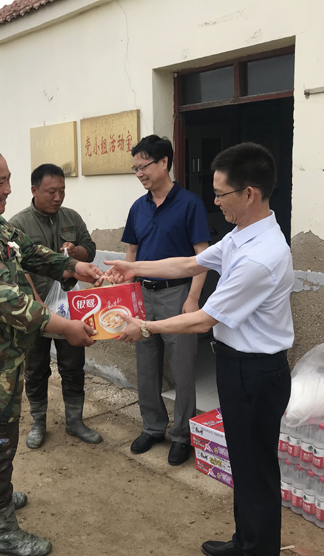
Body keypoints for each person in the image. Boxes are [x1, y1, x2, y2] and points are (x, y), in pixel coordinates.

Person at [105, 142, 294, 556]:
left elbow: (204, 318)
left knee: (256, 467)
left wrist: (146, 327)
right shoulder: (243, 236)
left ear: (249, 193)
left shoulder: (261, 257)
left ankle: (257, 548)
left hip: (254, 372)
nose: (216, 202)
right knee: (245, 462)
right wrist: (133, 267)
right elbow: (191, 263)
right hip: (239, 367)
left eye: (221, 194)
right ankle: (246, 541)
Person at [0, 144, 103, 556]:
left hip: (3, 355)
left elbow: (29, 251)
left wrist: (74, 267)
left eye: (9, 180)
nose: (9, 189)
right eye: (1, 182)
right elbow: (14, 304)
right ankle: (1, 529)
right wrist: (67, 328)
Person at [120, 135, 210, 466]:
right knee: (146, 365)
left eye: (143, 166)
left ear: (164, 163)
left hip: (177, 295)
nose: (139, 173)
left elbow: (202, 257)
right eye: (135, 168)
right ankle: (153, 427)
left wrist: (193, 298)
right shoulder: (138, 208)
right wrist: (126, 293)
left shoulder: (190, 204)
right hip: (143, 296)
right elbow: (131, 253)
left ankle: (182, 435)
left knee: (183, 368)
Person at [9, 163, 102, 449]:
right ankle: (38, 422)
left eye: (62, 190)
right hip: (33, 309)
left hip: (70, 307)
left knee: (73, 366)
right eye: (51, 191)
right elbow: (15, 267)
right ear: (34, 190)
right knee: (35, 369)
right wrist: (37, 306)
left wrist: (75, 253)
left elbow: (89, 250)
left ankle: (75, 421)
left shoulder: (71, 217)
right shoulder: (18, 224)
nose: (58, 197)